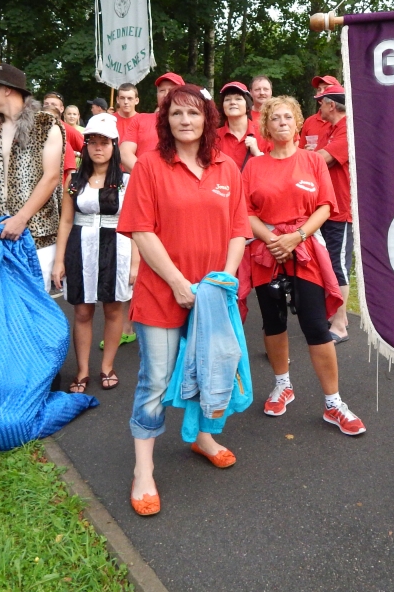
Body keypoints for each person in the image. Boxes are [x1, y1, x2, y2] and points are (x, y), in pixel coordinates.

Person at [117, 84, 251, 516]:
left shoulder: (227, 167)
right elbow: (141, 229)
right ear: (166, 120)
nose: (185, 121)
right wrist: (178, 284)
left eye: (193, 113)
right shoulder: (150, 166)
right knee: (156, 380)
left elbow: (238, 230)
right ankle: (142, 471)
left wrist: (224, 281)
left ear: (207, 118)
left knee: (210, 368)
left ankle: (201, 437)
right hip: (162, 294)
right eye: (177, 114)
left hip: (212, 297)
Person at [242, 96, 365, 435]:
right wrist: (271, 240)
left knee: (315, 325)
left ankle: (333, 403)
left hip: (305, 249)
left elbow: (326, 206)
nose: (281, 122)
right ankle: (283, 385)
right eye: (274, 118)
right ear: (266, 127)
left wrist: (295, 237)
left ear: (297, 124)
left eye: (287, 117)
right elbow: (245, 211)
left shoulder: (312, 161)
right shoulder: (254, 167)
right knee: (273, 321)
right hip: (267, 251)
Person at [52, 113, 138, 392]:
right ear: (86, 146)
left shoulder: (127, 180)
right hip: (81, 248)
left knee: (114, 310)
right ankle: (82, 370)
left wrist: (136, 263)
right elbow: (66, 220)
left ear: (114, 145)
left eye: (104, 142)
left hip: (118, 248)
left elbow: (138, 223)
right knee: (81, 311)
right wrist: (59, 260)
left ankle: (107, 367)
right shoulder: (75, 181)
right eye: (92, 142)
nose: (98, 147)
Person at [0, 64, 65, 293]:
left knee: (33, 305)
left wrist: (21, 218)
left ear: (7, 90)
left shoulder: (45, 124)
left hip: (37, 236)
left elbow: (52, 177)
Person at [315, 83, 353, 343]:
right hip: (328, 207)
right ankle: (338, 317)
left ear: (331, 104)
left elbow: (320, 159)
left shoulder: (347, 128)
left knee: (338, 266)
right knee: (327, 263)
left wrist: (287, 159)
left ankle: (340, 325)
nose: (319, 107)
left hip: (342, 209)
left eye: (321, 101)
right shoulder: (331, 129)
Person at [120, 72, 185, 171]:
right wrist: (147, 176)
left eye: (171, 90)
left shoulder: (189, 124)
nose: (166, 94)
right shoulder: (140, 119)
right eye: (162, 90)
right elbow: (125, 153)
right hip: (143, 179)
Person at [216, 81, 268, 169]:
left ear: (247, 105)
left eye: (238, 99)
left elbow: (276, 170)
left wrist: (257, 153)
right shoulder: (213, 137)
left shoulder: (265, 134)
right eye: (227, 99)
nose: (232, 102)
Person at [300, 75, 334, 151]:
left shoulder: (346, 121)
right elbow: (300, 150)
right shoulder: (309, 121)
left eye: (326, 88)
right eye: (319, 89)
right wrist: (305, 152)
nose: (321, 92)